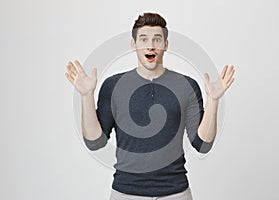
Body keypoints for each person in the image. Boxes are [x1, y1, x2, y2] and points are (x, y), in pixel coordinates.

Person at [65, 12, 235, 200]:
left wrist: (214, 100)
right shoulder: (112, 86)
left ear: (166, 45)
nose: (150, 45)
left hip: (176, 193)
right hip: (125, 192)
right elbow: (95, 142)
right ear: (134, 45)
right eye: (144, 39)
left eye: (157, 39)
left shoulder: (187, 85)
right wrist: (86, 96)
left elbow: (203, 145)